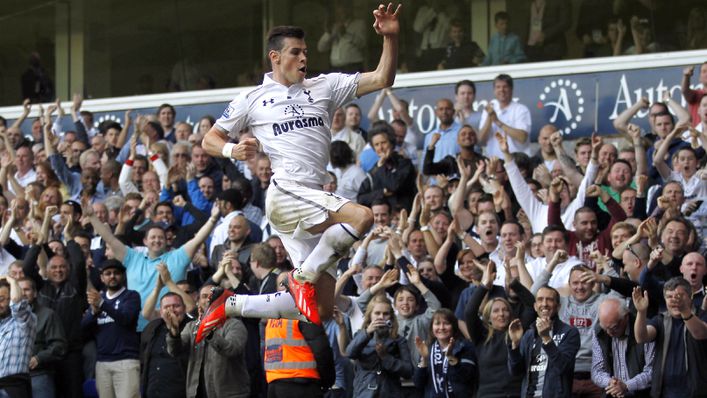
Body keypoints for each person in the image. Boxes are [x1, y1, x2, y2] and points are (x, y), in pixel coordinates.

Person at [198, 3, 402, 339]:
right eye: (295, 52)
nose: (304, 59)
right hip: (286, 193)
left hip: (313, 196)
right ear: (275, 57)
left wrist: (390, 38)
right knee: (363, 217)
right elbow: (210, 139)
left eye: (306, 52)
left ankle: (231, 305)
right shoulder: (253, 98)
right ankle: (301, 276)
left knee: (320, 310)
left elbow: (383, 77)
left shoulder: (325, 86)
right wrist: (232, 149)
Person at [633, 280, 707, 397]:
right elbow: (641, 337)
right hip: (665, 393)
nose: (674, 300)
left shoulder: (701, 315)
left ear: (690, 296)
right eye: (669, 297)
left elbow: (701, 333)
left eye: (679, 296)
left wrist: (684, 310)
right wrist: (641, 312)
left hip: (695, 392)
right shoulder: (660, 319)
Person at [81, 259, 141, 398]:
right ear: (102, 277)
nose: (112, 276)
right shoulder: (98, 299)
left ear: (123, 276)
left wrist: (102, 304)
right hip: (102, 362)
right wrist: (93, 312)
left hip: (126, 361)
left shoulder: (131, 296)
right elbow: (83, 328)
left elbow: (126, 319)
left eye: (116, 273)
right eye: (108, 273)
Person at [507, 286, 581, 398]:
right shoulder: (528, 335)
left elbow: (563, 367)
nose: (544, 304)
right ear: (535, 306)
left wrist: (546, 338)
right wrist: (515, 344)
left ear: (558, 306)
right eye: (540, 299)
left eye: (550, 300)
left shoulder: (570, 333)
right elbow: (515, 372)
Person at [346, 294, 413, 397]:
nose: (381, 317)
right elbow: (350, 353)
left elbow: (408, 371)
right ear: (370, 315)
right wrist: (367, 332)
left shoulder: (398, 340)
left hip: (390, 392)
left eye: (385, 314)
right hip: (364, 392)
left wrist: (386, 357)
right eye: (377, 313)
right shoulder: (360, 335)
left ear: (391, 317)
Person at [591, 297, 655, 398]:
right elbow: (597, 370)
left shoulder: (644, 329)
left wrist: (627, 386)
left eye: (614, 327)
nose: (609, 333)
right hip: (612, 394)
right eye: (605, 328)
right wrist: (611, 382)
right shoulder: (599, 332)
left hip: (643, 394)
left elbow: (652, 371)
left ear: (625, 317)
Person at [413, 308, 478, 397]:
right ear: (432, 328)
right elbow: (418, 383)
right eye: (437, 324)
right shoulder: (428, 348)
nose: (442, 327)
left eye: (446, 323)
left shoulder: (465, 347)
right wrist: (424, 359)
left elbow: (467, 378)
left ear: (454, 327)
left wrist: (451, 357)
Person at [0, 276, 37, 398]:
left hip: (14, 386)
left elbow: (17, 301)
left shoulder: (25, 320)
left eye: (2, 299)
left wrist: (11, 280)